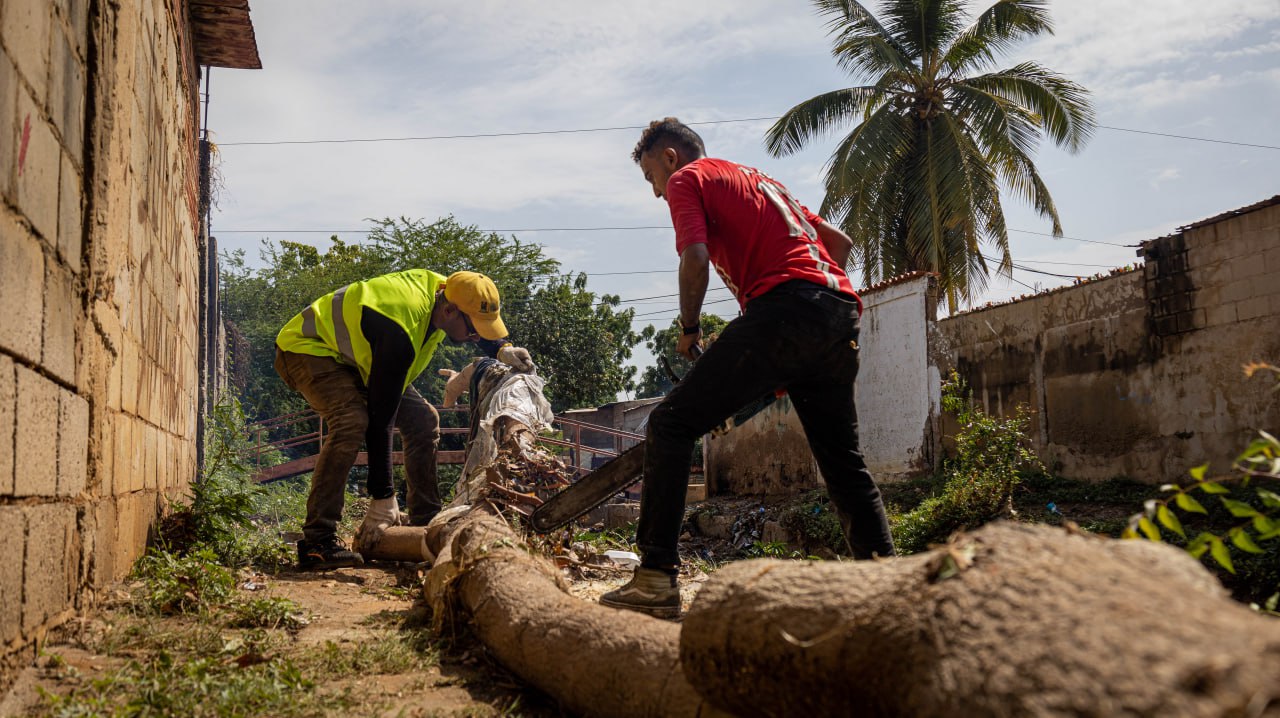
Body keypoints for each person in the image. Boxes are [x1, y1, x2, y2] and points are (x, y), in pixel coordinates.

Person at [600, 118, 897, 618]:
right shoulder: (761, 180)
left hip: (787, 306)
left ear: (670, 158)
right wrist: (794, 349)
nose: (656, 192)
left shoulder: (687, 180)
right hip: (838, 311)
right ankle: (890, 589)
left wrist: (689, 328)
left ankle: (654, 577)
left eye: (650, 176)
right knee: (844, 464)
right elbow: (839, 245)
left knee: (671, 424)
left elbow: (694, 259)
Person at [274, 269, 533, 570]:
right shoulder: (399, 329)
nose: (477, 337)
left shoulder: (450, 290)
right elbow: (380, 418)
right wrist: (382, 496)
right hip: (307, 349)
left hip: (357, 359)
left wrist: (501, 348)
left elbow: (473, 318)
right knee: (352, 421)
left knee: (424, 420)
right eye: (475, 330)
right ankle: (318, 540)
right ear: (449, 311)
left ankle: (426, 522)